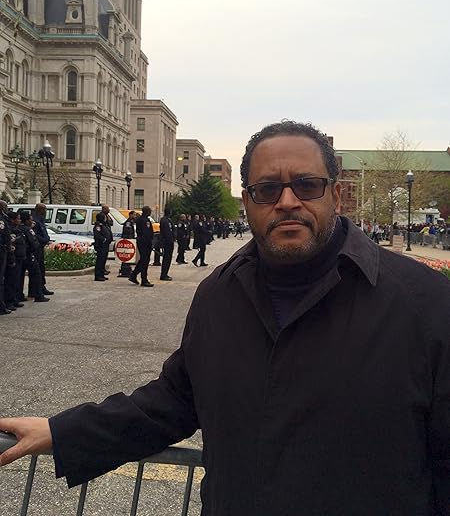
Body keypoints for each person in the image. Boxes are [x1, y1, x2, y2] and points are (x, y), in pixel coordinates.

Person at [1, 121, 449, 516]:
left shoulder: (426, 305)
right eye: (267, 189)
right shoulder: (220, 294)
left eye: (307, 185)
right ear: (246, 201)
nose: (287, 201)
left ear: (334, 195)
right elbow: (174, 401)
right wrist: (62, 431)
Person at [20, 212, 50, 303]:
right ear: (26, 221)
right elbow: (34, 242)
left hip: (22, 255)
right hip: (29, 255)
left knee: (19, 276)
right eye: (30, 219)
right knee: (36, 274)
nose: (32, 221)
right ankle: (37, 295)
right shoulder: (27, 230)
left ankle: (19, 295)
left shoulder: (19, 228)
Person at [31, 203, 54, 296]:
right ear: (39, 210)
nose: (45, 211)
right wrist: (44, 240)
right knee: (37, 269)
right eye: (44, 209)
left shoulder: (40, 219)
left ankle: (41, 287)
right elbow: (34, 235)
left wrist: (46, 238)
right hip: (36, 248)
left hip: (41, 247)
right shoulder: (34, 220)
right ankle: (36, 290)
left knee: (41, 268)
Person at [128, 206, 154, 288]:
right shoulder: (143, 220)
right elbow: (146, 233)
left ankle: (133, 275)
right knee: (145, 261)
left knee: (143, 260)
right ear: (147, 212)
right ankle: (144, 280)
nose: (150, 212)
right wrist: (149, 242)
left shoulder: (143, 219)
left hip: (143, 242)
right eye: (149, 211)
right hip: (144, 243)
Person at [0, 200, 12, 315]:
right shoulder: (1, 220)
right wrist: (8, 247)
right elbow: (5, 235)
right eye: (4, 207)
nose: (6, 209)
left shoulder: (4, 218)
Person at [118, 211, 137, 278]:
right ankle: (125, 270)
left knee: (128, 256)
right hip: (127, 240)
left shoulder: (131, 222)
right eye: (134, 215)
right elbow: (127, 231)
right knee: (125, 255)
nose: (135, 216)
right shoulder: (128, 222)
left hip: (130, 240)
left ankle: (127, 269)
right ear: (130, 215)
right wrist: (130, 238)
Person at [93, 213, 110, 282]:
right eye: (104, 217)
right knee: (100, 261)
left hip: (105, 245)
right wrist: (104, 239)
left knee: (103, 260)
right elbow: (97, 235)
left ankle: (102, 274)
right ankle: (98, 276)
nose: (105, 219)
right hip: (101, 245)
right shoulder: (98, 226)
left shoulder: (103, 225)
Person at [159, 207, 174, 281]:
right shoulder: (164, 220)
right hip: (167, 241)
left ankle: (165, 273)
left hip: (170, 241)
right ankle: (163, 274)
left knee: (168, 258)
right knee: (166, 258)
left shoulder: (169, 220)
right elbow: (166, 232)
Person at [100, 205, 114, 276]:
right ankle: (101, 270)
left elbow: (111, 222)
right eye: (107, 209)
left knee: (105, 256)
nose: (109, 210)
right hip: (103, 242)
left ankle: (103, 269)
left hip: (107, 240)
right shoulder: (102, 216)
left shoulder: (107, 216)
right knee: (102, 257)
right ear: (104, 209)